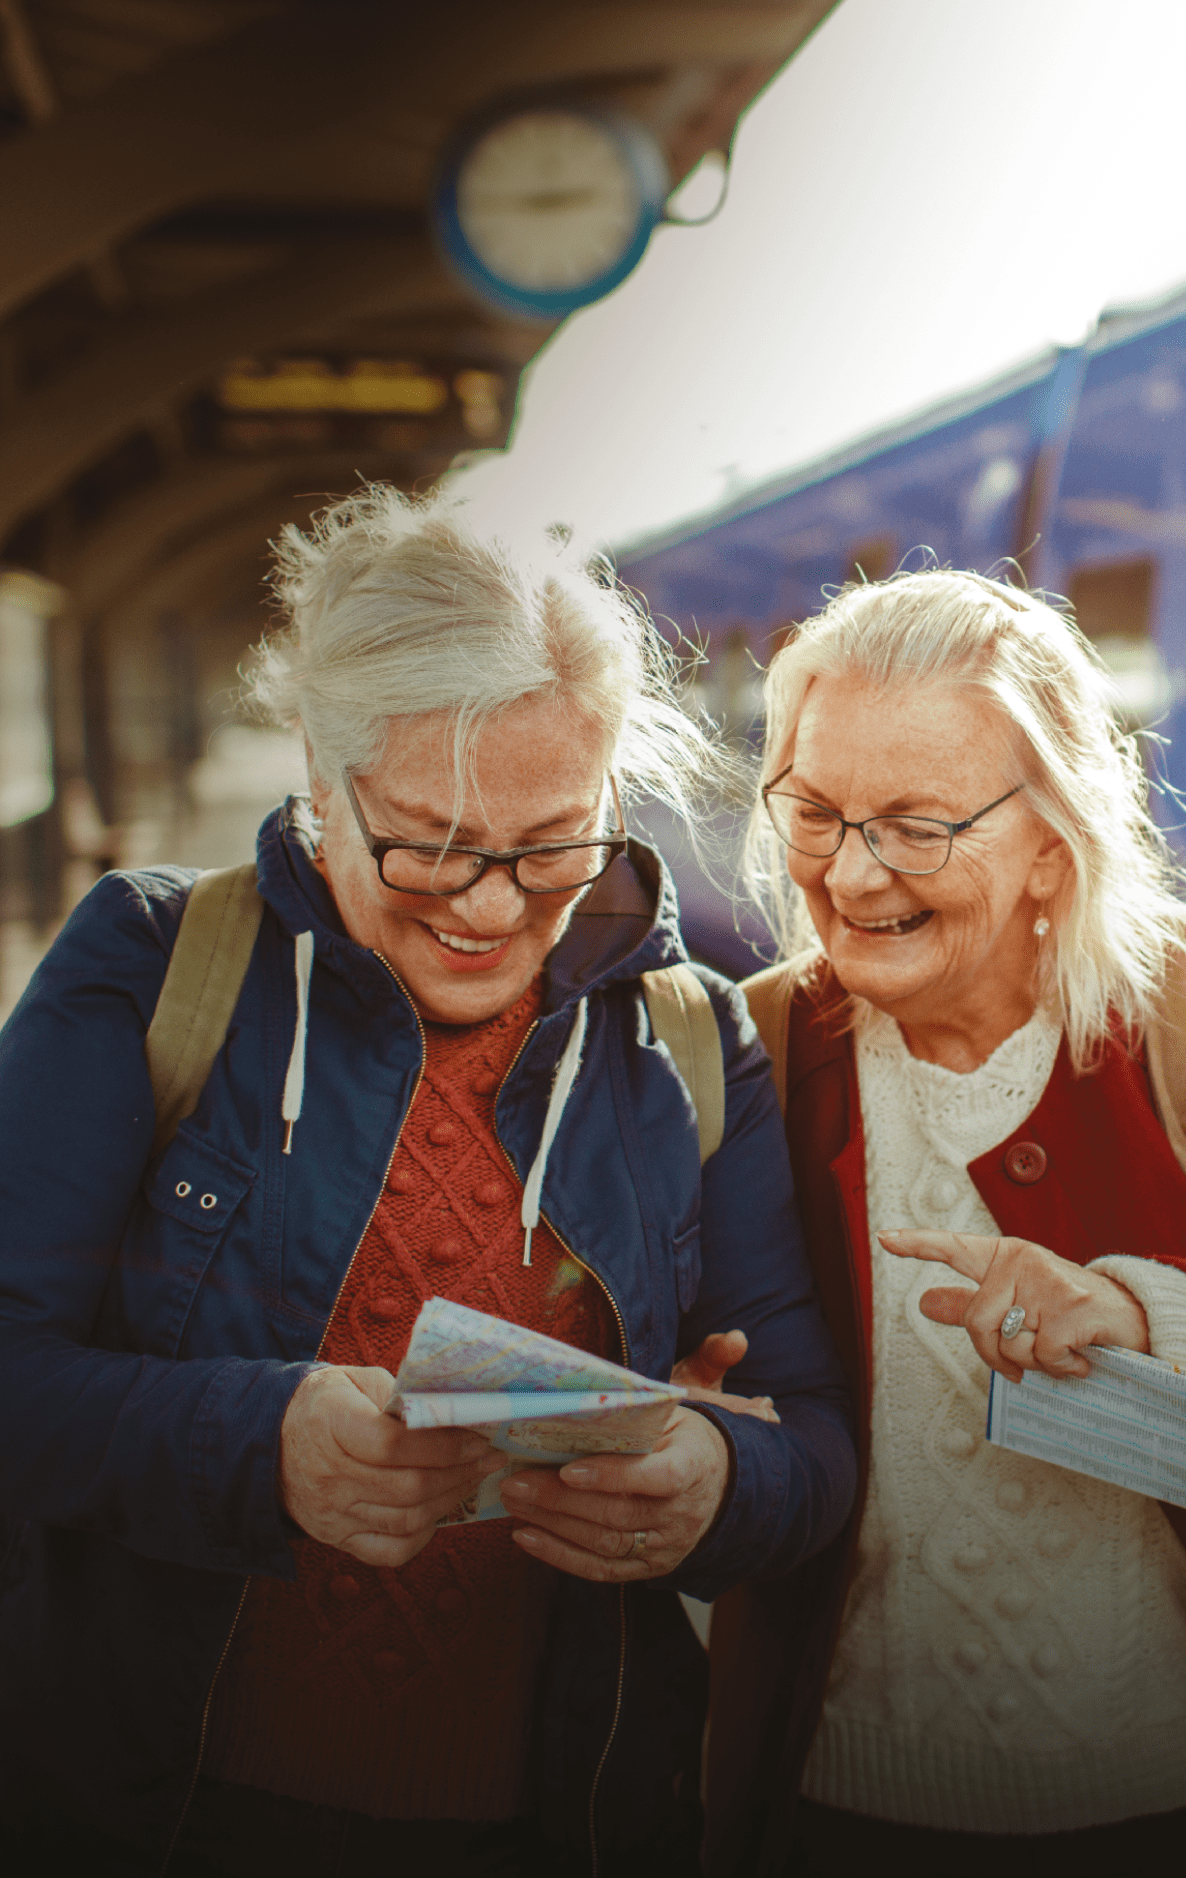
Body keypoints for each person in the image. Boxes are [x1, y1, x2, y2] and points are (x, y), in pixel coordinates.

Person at [0, 487, 855, 1878]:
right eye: (426, 842)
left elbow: (813, 1435)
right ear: (319, 781)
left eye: (551, 844)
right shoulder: (153, 969)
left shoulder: (688, 1044)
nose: (491, 907)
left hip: (558, 1822)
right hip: (162, 1813)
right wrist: (258, 1437)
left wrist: (717, 1476)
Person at [705, 569, 1186, 1878]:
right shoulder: (740, 1052)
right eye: (814, 810)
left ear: (1054, 832)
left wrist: (1141, 1312)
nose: (849, 873)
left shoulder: (1174, 1024)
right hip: (823, 1806)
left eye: (916, 824)